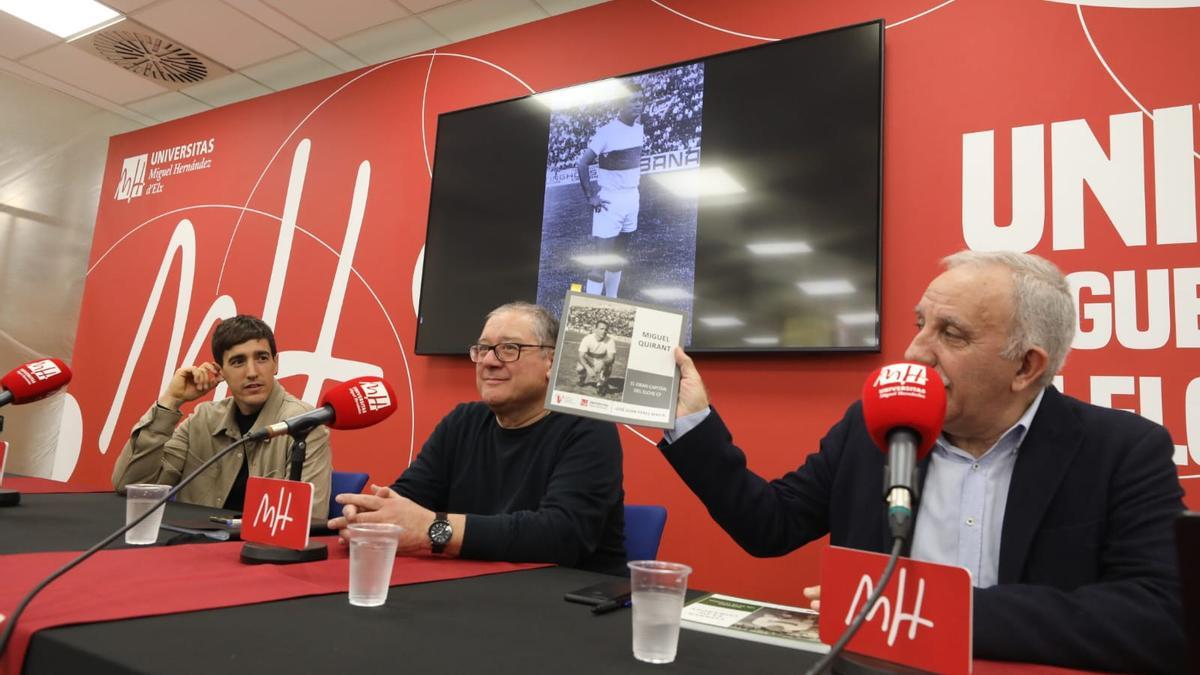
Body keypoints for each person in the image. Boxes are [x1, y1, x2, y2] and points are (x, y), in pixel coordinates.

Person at [659, 251, 1186, 673]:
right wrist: (692, 424)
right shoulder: (874, 425)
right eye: (920, 324)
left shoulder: (1121, 450)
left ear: (1026, 366)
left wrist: (937, 611)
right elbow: (769, 527)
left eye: (950, 334)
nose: (915, 352)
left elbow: (1157, 618)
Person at [330, 302, 627, 575]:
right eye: (482, 349)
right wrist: (374, 516)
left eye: (509, 348)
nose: (488, 361)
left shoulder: (588, 427)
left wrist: (435, 529)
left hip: (566, 603)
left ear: (551, 361)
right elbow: (411, 497)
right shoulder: (463, 421)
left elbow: (560, 536)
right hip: (472, 590)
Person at [113, 315, 332, 520]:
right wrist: (170, 401)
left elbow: (307, 520)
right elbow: (131, 486)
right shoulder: (203, 419)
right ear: (221, 372)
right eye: (238, 362)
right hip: (190, 549)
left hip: (259, 554)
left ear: (276, 363)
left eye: (262, 358)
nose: (252, 372)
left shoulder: (305, 425)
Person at [576, 84, 644, 299]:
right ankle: (590, 311)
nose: (638, 104)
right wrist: (591, 196)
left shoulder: (639, 127)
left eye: (640, 100)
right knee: (600, 263)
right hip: (610, 201)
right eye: (633, 101)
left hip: (632, 197)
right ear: (620, 104)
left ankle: (612, 300)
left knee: (618, 258)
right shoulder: (606, 133)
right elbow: (582, 164)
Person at [576, 319, 617, 394]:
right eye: (601, 329)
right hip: (589, 359)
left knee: (609, 366)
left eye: (606, 329)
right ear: (595, 329)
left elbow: (611, 358)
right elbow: (581, 355)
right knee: (580, 368)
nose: (604, 331)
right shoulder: (587, 339)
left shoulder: (610, 341)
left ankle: (601, 384)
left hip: (601, 360)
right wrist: (588, 368)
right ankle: (582, 379)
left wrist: (603, 362)